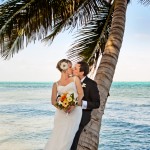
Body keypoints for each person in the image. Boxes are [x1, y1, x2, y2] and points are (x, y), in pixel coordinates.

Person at [44, 59, 84, 150]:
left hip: (75, 112)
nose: (72, 69)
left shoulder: (75, 79)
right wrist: (63, 108)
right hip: (61, 113)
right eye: (70, 67)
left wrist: (74, 105)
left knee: (68, 138)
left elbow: (81, 94)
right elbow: (53, 101)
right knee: (57, 136)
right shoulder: (56, 84)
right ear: (64, 68)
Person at [70, 61, 100, 150]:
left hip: (83, 115)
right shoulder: (71, 81)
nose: (73, 70)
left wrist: (82, 103)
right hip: (70, 113)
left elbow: (96, 103)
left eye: (75, 68)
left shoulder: (91, 84)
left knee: (73, 139)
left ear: (82, 72)